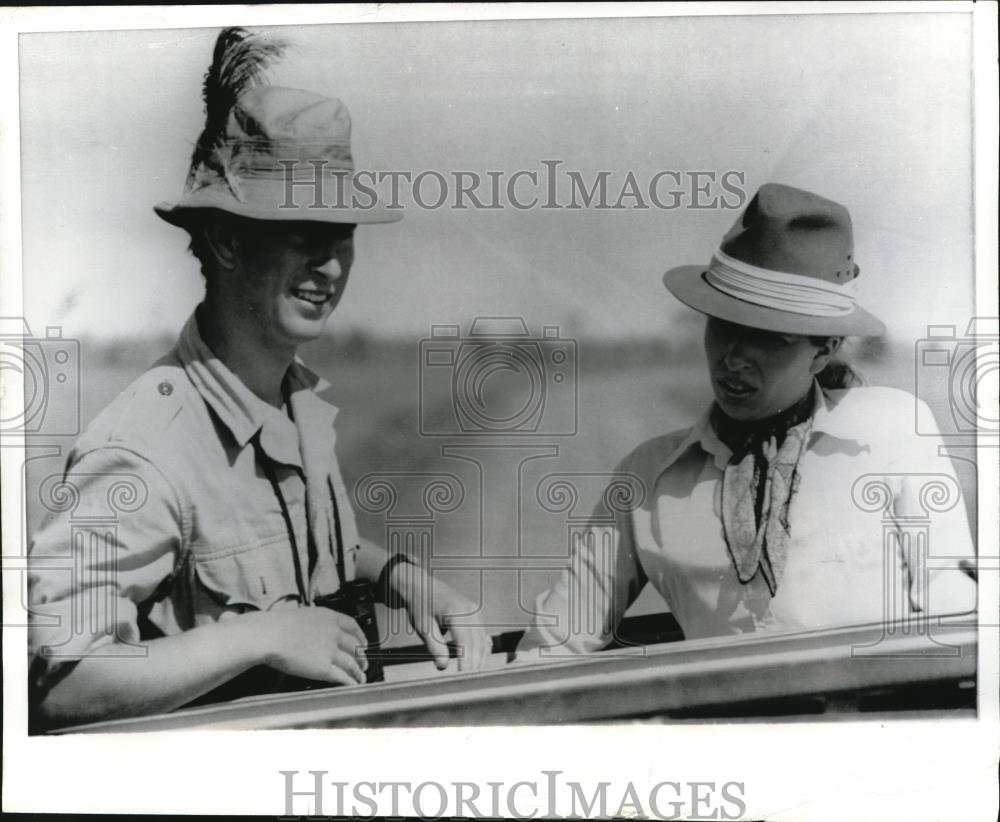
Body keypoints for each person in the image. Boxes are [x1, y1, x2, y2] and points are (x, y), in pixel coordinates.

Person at [28, 27, 489, 729]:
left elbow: (298, 555)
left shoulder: (296, 400)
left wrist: (402, 579)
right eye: (303, 233)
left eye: (343, 236)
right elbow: (59, 683)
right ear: (227, 240)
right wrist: (258, 637)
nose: (330, 265)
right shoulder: (144, 448)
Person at [520, 183, 977, 654]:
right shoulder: (648, 478)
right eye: (724, 325)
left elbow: (954, 614)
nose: (735, 358)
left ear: (824, 349)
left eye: (770, 338)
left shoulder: (891, 429)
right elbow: (556, 642)